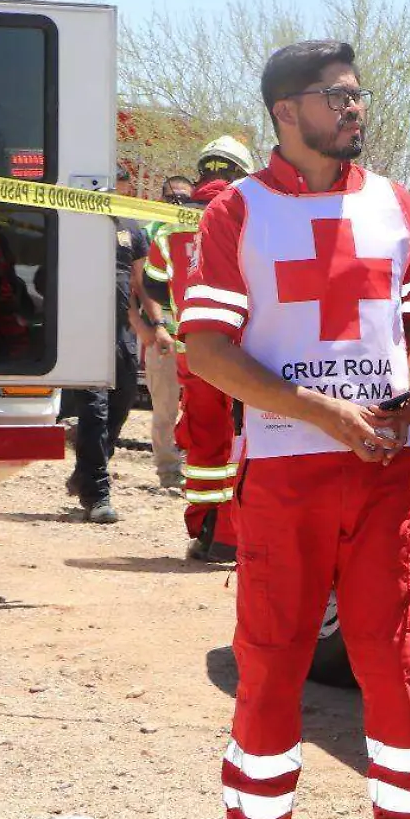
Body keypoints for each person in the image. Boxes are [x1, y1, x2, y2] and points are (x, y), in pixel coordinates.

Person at [180, 40, 410, 819]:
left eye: (358, 93)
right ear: (285, 112)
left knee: (391, 660)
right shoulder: (236, 214)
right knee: (270, 666)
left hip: (385, 474)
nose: (356, 108)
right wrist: (326, 412)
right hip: (288, 477)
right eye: (338, 96)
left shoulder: (394, 204)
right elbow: (209, 352)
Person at [146, 138, 256, 561]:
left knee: (205, 440)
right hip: (242, 349)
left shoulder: (167, 223)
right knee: (242, 442)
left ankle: (206, 528)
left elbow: (155, 286)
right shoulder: (248, 215)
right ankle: (233, 531)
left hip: (194, 353)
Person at [64, 182, 154, 524]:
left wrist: (151, 325)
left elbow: (140, 283)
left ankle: (85, 472)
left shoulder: (132, 227)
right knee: (94, 411)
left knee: (121, 403)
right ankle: (97, 494)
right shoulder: (75, 221)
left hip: (121, 332)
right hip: (84, 330)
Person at [142, 175, 195, 490]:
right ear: (161, 199)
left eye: (184, 198)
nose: (178, 203)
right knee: (164, 406)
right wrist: (159, 326)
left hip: (198, 337)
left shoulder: (201, 224)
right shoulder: (153, 231)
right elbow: (145, 285)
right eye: (173, 197)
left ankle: (197, 465)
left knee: (200, 406)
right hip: (167, 335)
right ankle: (168, 471)